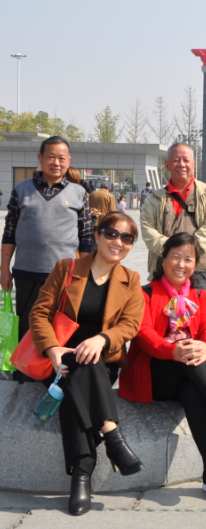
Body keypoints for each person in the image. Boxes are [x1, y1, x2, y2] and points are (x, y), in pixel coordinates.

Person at [119, 233, 206, 503]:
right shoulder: (146, 292)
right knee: (188, 352)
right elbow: (143, 333)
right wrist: (172, 350)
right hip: (154, 373)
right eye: (175, 257)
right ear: (163, 260)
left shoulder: (200, 296)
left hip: (188, 375)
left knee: (194, 386)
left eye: (188, 259)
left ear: (195, 264)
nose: (181, 264)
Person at [29, 211, 145, 516]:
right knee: (75, 363)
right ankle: (111, 437)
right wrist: (52, 349)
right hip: (57, 360)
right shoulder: (66, 268)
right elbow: (39, 313)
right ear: (96, 235)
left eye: (127, 238)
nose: (118, 242)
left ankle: (81, 475)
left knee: (85, 363)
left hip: (102, 361)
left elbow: (130, 325)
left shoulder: (131, 280)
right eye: (111, 234)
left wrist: (102, 339)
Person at [1, 136, 93, 346]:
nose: (56, 162)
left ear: (69, 161)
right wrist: (4, 269)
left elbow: (86, 237)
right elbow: (9, 232)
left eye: (62, 158)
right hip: (27, 273)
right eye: (51, 157)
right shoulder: (22, 189)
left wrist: (85, 274)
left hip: (64, 276)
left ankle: (55, 365)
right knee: (27, 328)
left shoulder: (79, 193)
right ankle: (24, 365)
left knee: (59, 330)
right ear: (40, 158)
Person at [141, 142, 206, 291]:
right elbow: (148, 230)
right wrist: (171, 253)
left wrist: (186, 254)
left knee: (195, 306)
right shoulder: (154, 199)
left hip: (198, 268)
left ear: (193, 164)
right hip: (163, 268)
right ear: (167, 165)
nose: (181, 164)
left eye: (186, 160)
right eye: (176, 160)